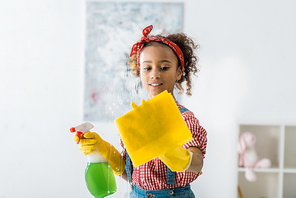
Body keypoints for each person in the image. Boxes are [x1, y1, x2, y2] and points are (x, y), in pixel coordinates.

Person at [75, 25, 207, 198]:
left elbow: (197, 163)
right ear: (139, 71)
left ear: (179, 72)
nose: (155, 75)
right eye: (147, 68)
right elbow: (129, 173)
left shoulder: (184, 118)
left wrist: (176, 155)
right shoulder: (136, 119)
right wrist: (102, 150)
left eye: (164, 67)